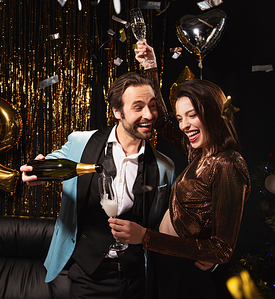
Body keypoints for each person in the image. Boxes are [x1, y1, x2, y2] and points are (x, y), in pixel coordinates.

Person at [108, 40, 252, 298]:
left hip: (185, 275)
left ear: (214, 113)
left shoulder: (228, 164)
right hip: (163, 263)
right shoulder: (197, 152)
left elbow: (221, 250)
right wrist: (150, 66)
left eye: (192, 115)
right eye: (180, 118)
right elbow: (161, 121)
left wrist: (146, 238)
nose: (184, 125)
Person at [20, 72, 176, 299]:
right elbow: (51, 163)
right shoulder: (81, 142)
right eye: (138, 107)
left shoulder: (166, 167)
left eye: (152, 106)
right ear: (117, 111)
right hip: (88, 275)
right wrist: (37, 172)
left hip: (138, 280)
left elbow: (166, 227)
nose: (149, 115)